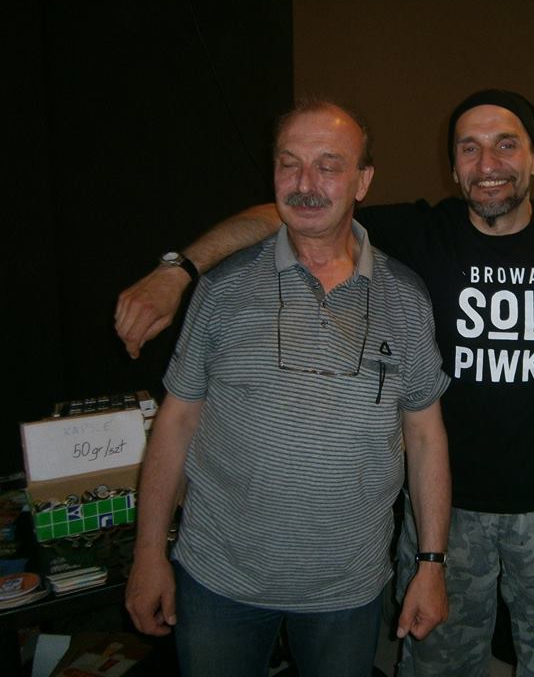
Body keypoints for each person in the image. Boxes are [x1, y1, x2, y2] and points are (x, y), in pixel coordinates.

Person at [116, 90, 534, 677]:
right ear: (452, 167)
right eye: (470, 148)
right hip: (450, 518)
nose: (488, 164)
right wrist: (182, 268)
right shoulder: (422, 233)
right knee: (438, 666)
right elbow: (300, 208)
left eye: (506, 145)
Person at [124, 100, 452, 677]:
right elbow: (176, 423)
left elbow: (425, 437)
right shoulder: (222, 289)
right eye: (289, 163)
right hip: (219, 577)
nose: (305, 184)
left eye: (329, 165)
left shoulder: (405, 297)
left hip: (347, 587)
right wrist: (148, 553)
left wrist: (431, 563)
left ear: (363, 181)